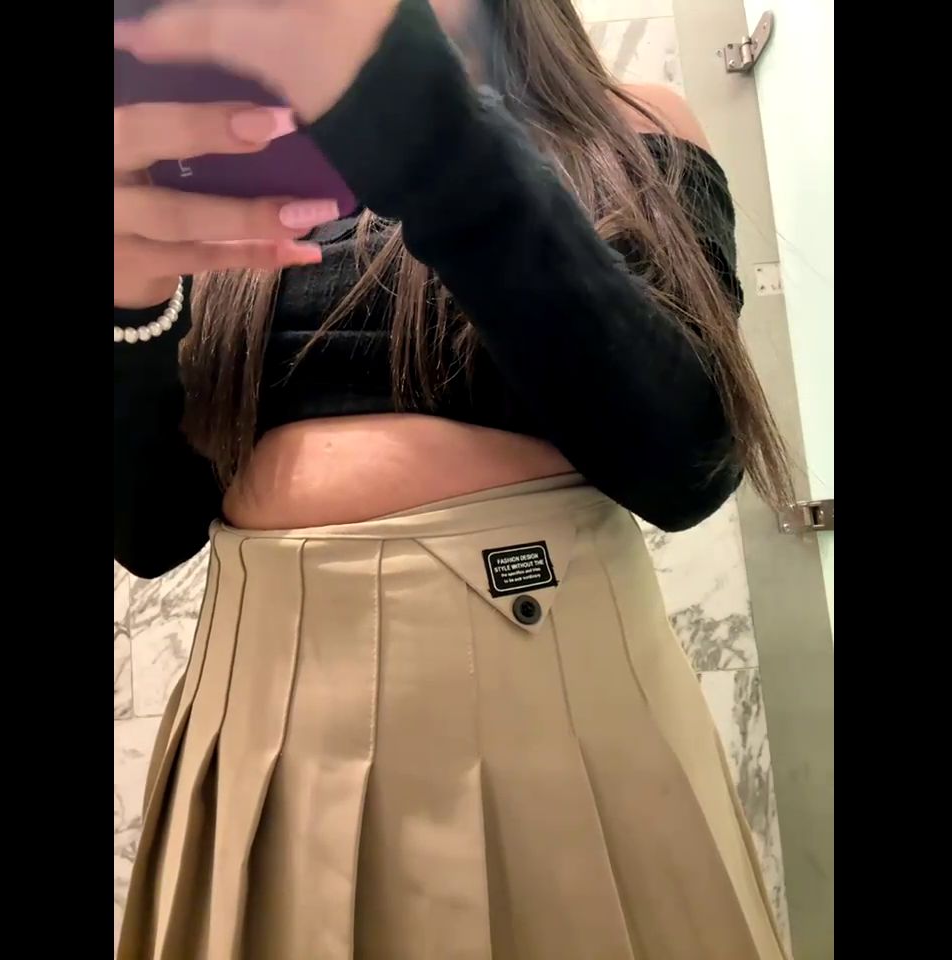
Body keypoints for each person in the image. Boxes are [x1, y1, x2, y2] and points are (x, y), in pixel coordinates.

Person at [113, 1, 791, 957]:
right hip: (258, 718)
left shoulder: (625, 125)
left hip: (555, 714)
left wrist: (415, 116)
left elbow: (684, 461)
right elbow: (152, 533)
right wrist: (129, 302)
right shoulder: (231, 180)